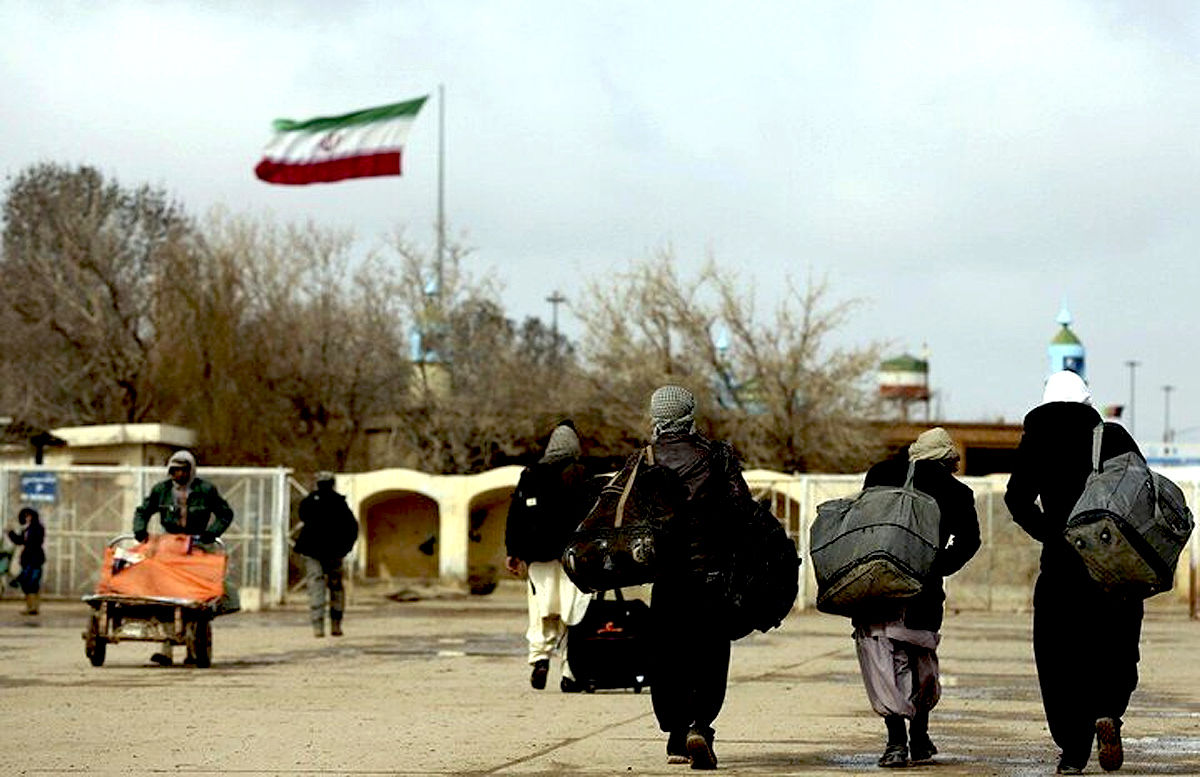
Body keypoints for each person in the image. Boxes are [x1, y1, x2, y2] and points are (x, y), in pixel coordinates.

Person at [1005, 370, 1143, 775]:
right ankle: (1108, 711)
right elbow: (1142, 491)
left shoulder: (1037, 438)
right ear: (1086, 400)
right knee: (1116, 644)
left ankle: (1072, 750)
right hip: (1115, 567)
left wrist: (1052, 533)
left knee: (1059, 654)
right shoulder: (1111, 436)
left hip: (1062, 567)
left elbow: (1017, 498)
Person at [852, 427, 981, 768]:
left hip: (876, 587)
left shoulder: (879, 474)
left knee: (882, 661)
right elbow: (970, 541)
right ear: (945, 458)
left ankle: (896, 741)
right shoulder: (956, 491)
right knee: (921, 660)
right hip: (924, 593)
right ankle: (919, 737)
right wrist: (936, 565)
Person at [645, 385, 753, 770]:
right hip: (711, 577)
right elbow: (743, 510)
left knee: (667, 655)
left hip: (665, 579)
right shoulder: (716, 457)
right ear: (690, 413)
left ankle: (676, 735)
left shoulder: (644, 459)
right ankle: (700, 727)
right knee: (708, 655)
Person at [504, 422, 593, 692]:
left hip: (538, 559)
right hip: (573, 560)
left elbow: (515, 516)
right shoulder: (580, 473)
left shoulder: (531, 474)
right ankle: (570, 672)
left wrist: (513, 552)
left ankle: (540, 658)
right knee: (573, 615)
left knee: (541, 611)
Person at [132, 449, 235, 665]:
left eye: (183, 470)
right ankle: (166, 649)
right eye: (175, 470)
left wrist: (211, 533)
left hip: (197, 546)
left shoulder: (206, 490)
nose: (178, 474)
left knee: (195, 598)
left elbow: (225, 513)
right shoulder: (161, 490)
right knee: (166, 595)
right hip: (170, 546)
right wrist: (140, 530)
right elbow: (143, 511)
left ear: (191, 470)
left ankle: (193, 648)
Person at [294, 471, 359, 638]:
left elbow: (303, 516)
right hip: (334, 552)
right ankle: (335, 625)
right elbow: (352, 528)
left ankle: (318, 626)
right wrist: (345, 548)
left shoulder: (309, 502)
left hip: (313, 552)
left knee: (316, 586)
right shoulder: (339, 503)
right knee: (336, 587)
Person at [8, 507, 46, 616]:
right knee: (27, 584)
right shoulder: (27, 529)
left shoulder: (37, 528)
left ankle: (34, 607)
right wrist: (11, 533)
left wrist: (26, 541)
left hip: (35, 559)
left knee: (33, 583)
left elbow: (34, 542)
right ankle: (30, 607)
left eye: (29, 516)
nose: (27, 518)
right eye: (25, 516)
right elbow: (20, 541)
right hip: (27, 559)